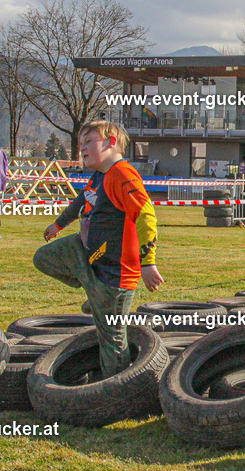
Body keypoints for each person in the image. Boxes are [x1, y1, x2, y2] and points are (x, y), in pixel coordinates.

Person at [33, 121, 162, 378]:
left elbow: (146, 216)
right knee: (43, 258)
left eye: (89, 142)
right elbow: (82, 199)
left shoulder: (122, 175)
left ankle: (115, 387)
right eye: (81, 144)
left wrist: (147, 263)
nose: (82, 149)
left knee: (111, 339)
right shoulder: (100, 175)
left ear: (111, 142)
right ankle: (93, 292)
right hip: (92, 260)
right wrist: (58, 224)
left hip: (116, 274)